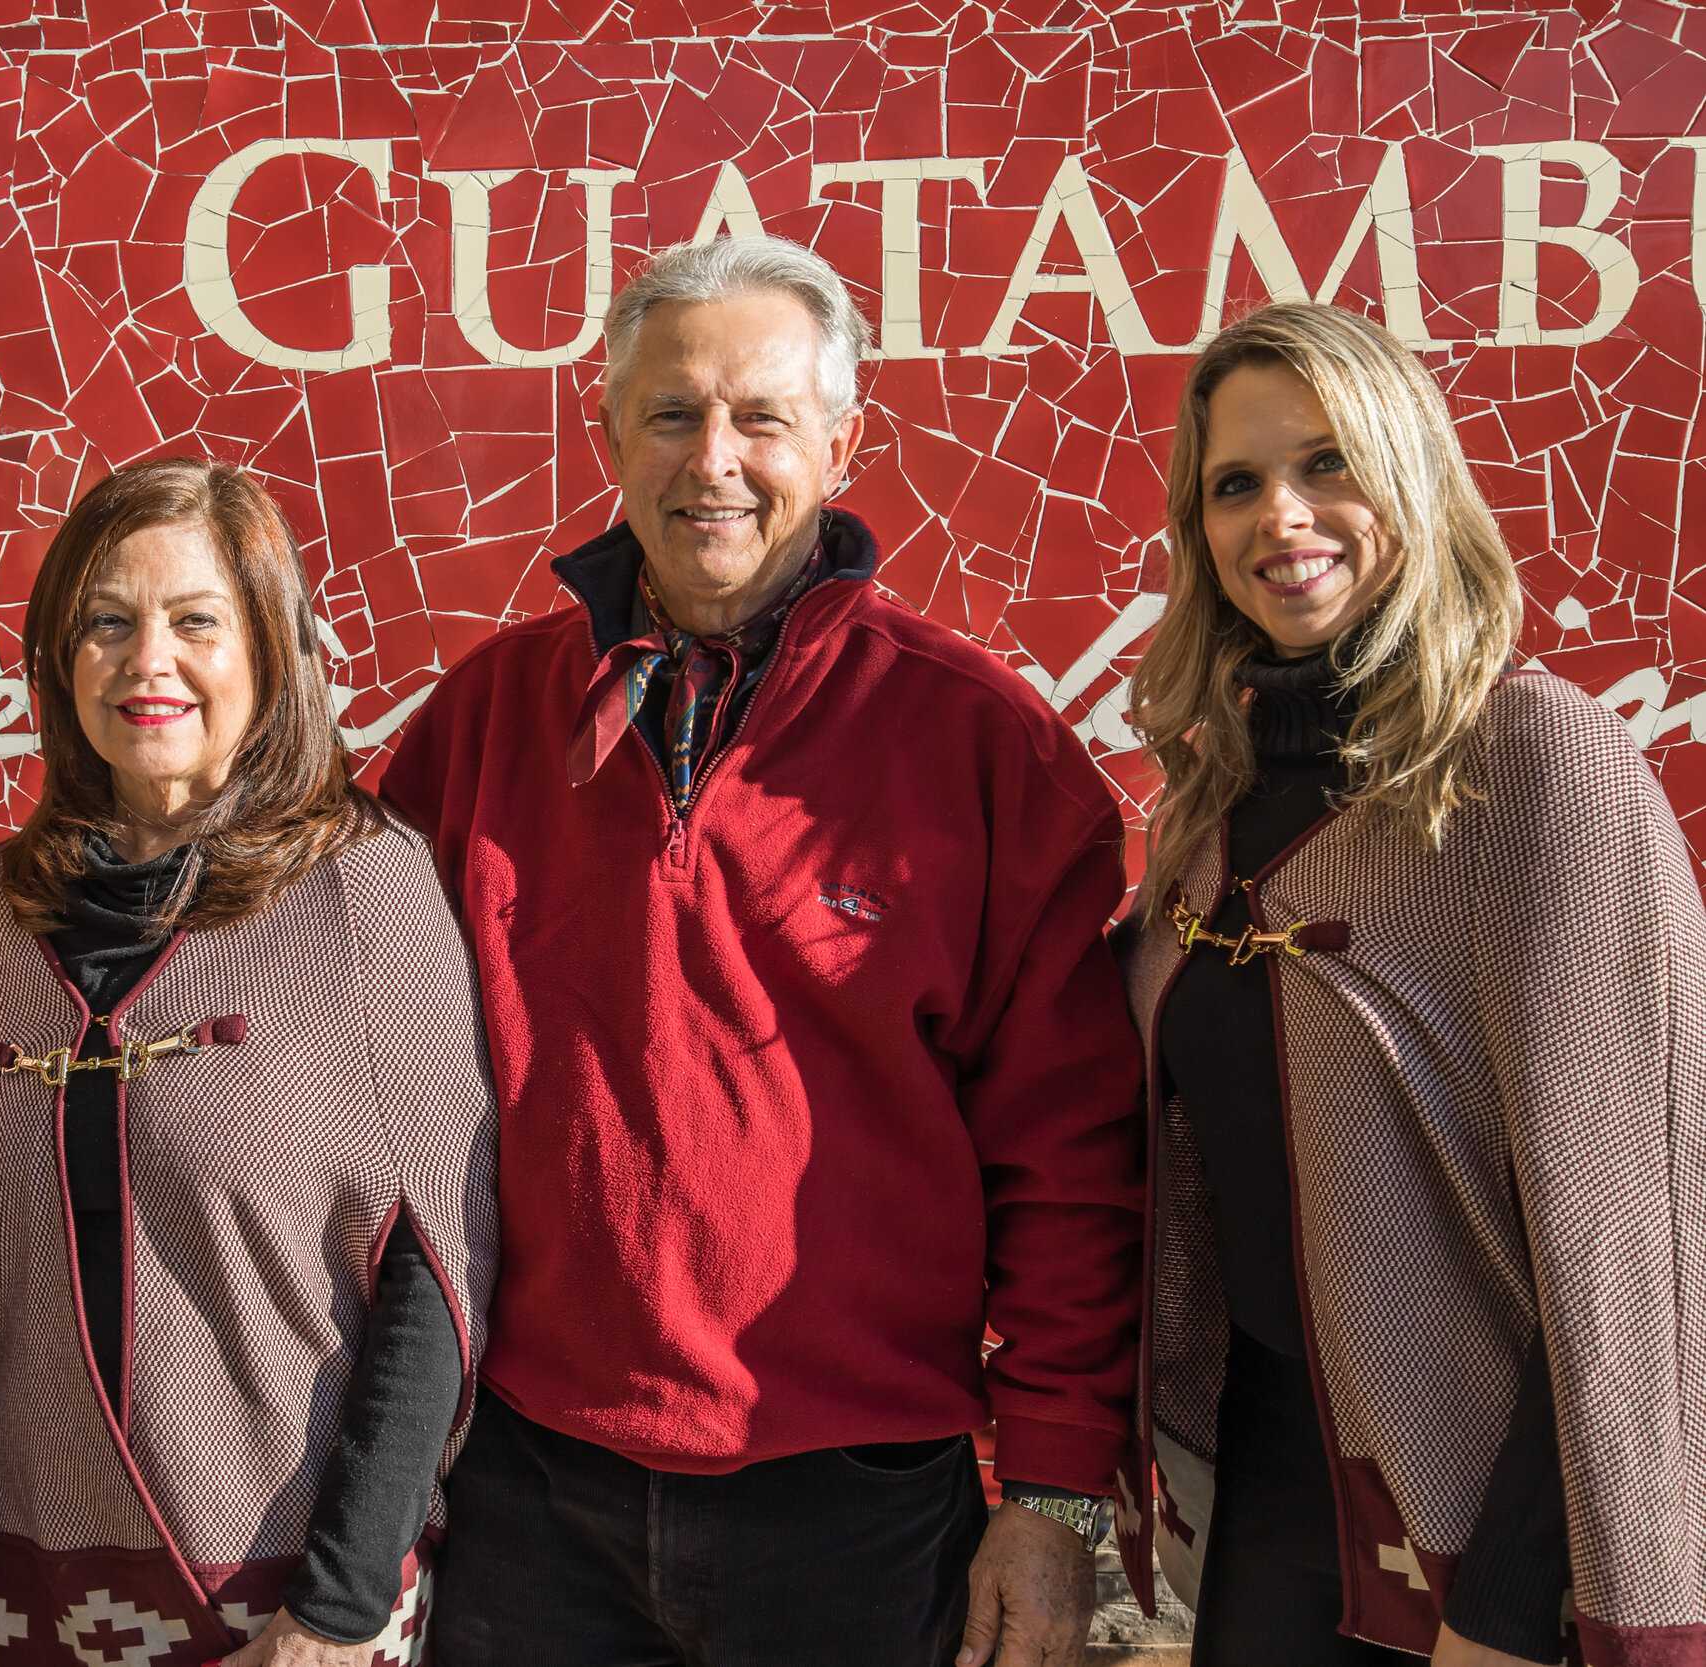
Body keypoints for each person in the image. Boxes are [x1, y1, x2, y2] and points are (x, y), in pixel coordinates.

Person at [379, 232, 1145, 1667]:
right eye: (671, 412)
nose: (711, 458)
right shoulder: (478, 727)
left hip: (858, 1500)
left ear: (844, 443)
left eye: (763, 418)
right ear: (607, 429)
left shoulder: (980, 746)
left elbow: (1074, 1154)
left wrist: (1050, 1492)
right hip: (529, 1487)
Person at [1115, 300, 1706, 1667]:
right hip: (1275, 1508)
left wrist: (1505, 1605)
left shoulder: (1540, 763)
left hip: (1492, 1541)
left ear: (1415, 475)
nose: (1284, 514)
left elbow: (1635, 1237)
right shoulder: (1211, 804)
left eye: (1330, 463)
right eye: (1237, 483)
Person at [0, 458, 497, 1667]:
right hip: (21, 1588)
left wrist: (337, 1607)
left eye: (195, 622)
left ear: (271, 655)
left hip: (282, 1594)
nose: (147, 661)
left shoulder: (362, 893)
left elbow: (436, 1267)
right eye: (107, 624)